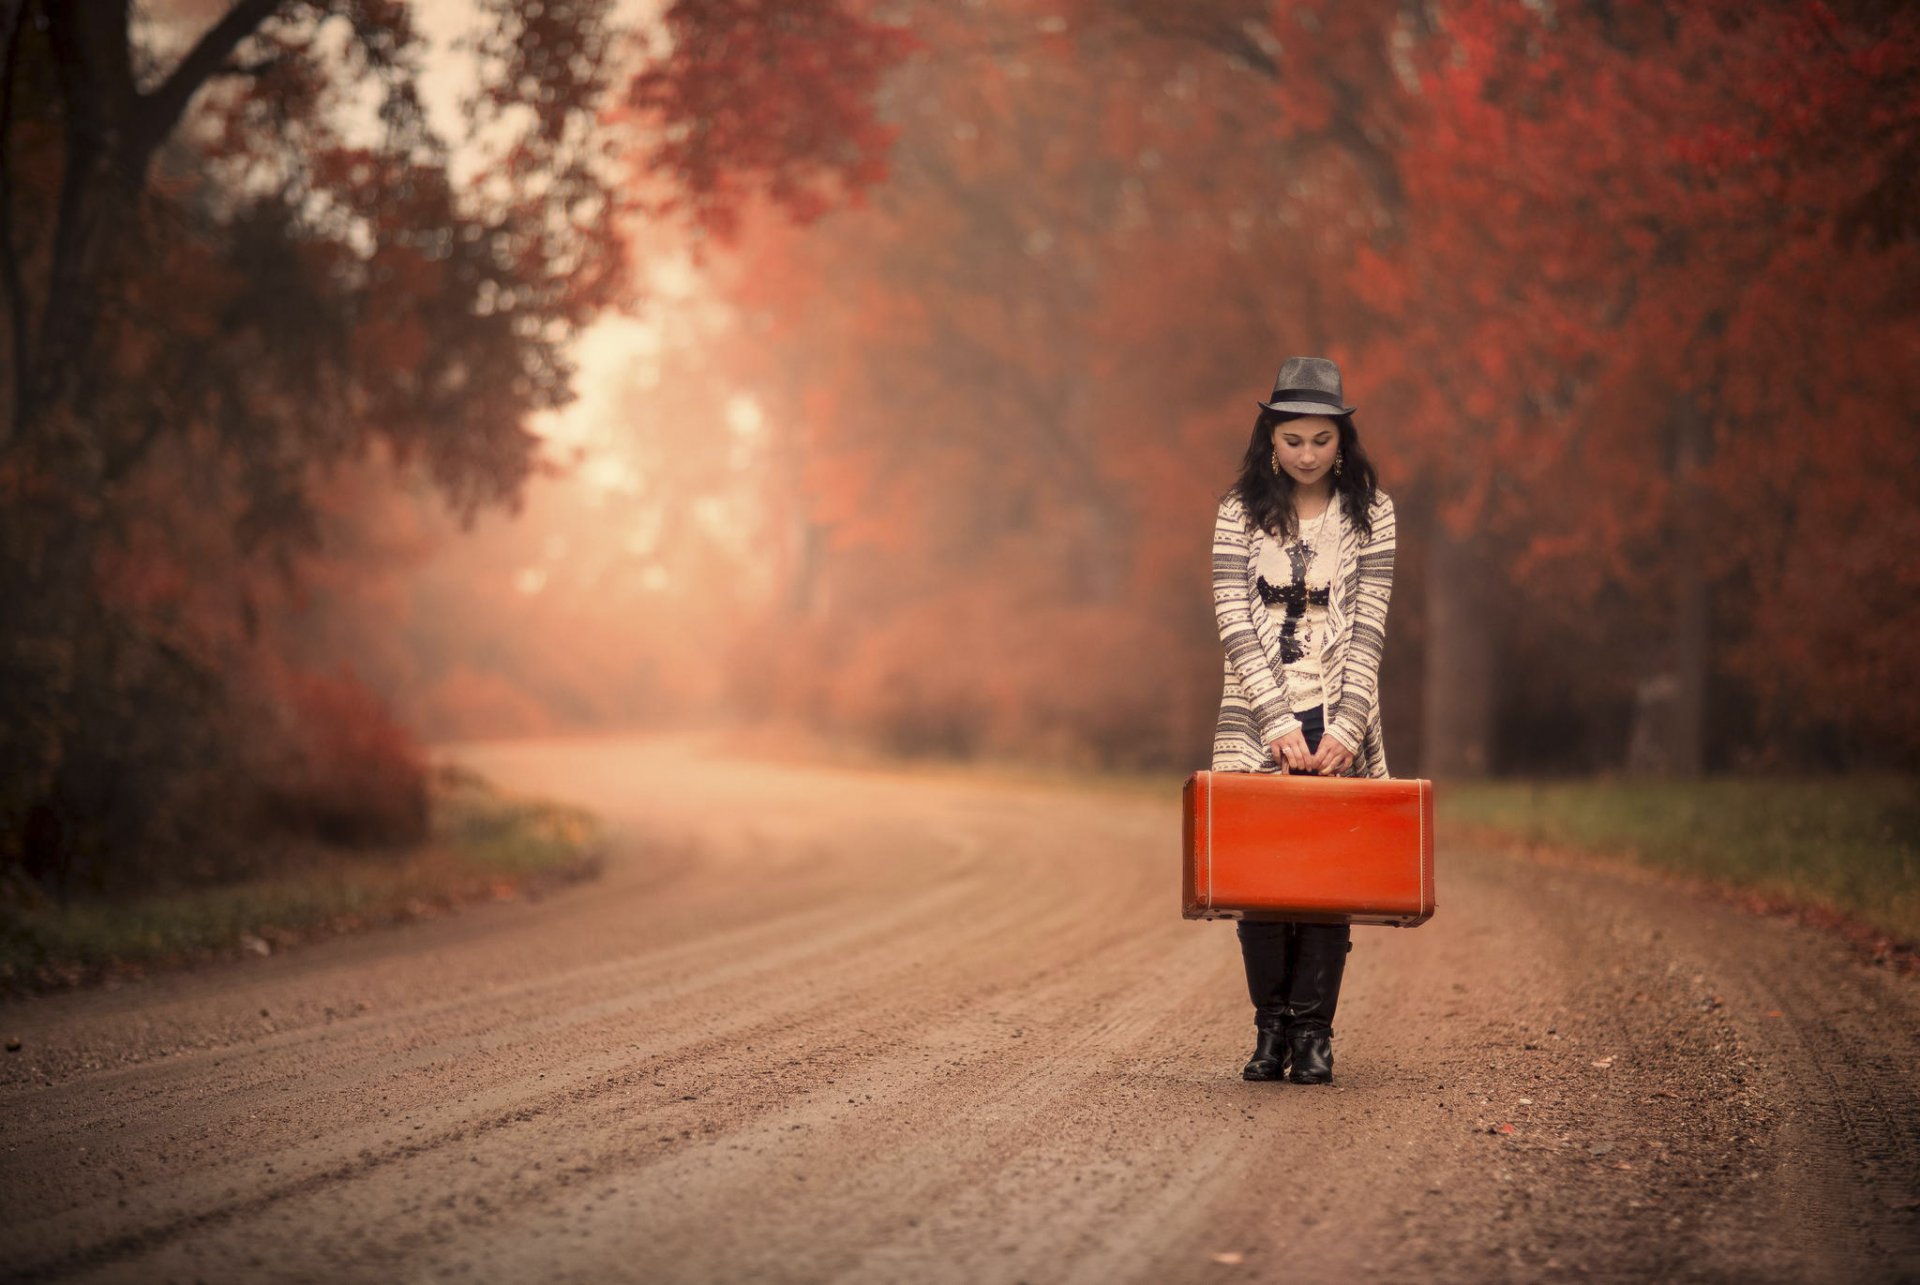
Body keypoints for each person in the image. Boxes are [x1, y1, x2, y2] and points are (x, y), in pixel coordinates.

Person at [1209, 354, 1397, 1085]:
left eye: (1321, 439)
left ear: (1342, 440)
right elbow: (1232, 616)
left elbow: (1372, 624)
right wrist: (1274, 717)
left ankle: (1316, 1034)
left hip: (1338, 713)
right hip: (1258, 717)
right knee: (1262, 880)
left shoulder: (1373, 513)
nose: (1308, 454)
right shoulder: (1237, 511)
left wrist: (1346, 727)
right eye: (1294, 440)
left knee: (1325, 877)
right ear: (1271, 440)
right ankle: (1271, 1030)